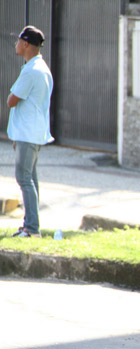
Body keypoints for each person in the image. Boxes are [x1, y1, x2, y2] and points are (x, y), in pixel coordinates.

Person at [7, 26, 54, 238]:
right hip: (31, 132)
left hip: (28, 133)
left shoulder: (31, 71)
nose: (16, 45)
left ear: (26, 44)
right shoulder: (41, 67)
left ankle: (32, 228)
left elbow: (11, 100)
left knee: (24, 179)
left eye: (18, 41)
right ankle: (30, 225)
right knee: (31, 179)